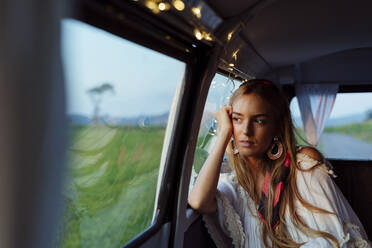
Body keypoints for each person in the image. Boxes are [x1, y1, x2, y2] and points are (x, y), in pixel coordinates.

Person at [188, 79, 370, 248]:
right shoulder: (233, 187)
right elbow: (198, 201)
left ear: (276, 126)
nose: (246, 130)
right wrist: (224, 135)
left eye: (259, 120)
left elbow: (329, 241)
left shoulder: (302, 167)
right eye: (237, 119)